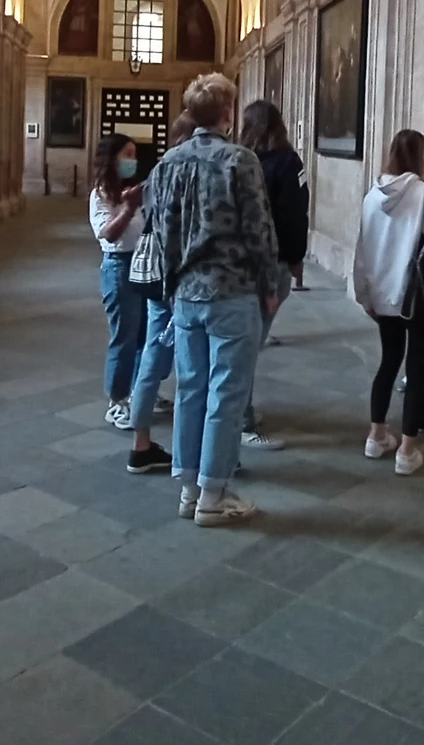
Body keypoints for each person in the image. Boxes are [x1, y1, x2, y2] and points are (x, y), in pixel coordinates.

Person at [144, 74, 287, 526]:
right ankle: (214, 494)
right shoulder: (239, 160)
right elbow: (259, 231)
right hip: (233, 290)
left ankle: (189, 490)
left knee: (191, 389)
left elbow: (161, 230)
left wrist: (170, 289)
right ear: (227, 113)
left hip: (187, 293)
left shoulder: (169, 162)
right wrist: (269, 286)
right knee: (227, 393)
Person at [350, 130, 424, 475]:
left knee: (388, 363)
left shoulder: (372, 196)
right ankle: (407, 450)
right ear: (421, 156)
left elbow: (362, 251)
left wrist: (364, 295)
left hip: (384, 297)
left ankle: (376, 436)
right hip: (419, 298)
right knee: (418, 370)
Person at [119, 116, 199, 476]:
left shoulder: (159, 170)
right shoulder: (191, 168)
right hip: (184, 276)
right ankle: (193, 454)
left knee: (151, 358)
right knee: (194, 365)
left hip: (155, 277)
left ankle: (141, 443)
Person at [238, 99, 306, 451]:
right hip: (273, 259)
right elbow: (294, 214)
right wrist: (296, 259)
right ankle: (242, 419)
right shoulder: (288, 162)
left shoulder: (238, 160)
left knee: (245, 341)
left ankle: (241, 410)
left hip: (239, 262)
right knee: (249, 345)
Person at [89, 133, 148, 430]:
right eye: (127, 154)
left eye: (134, 154)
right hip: (118, 268)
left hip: (141, 265)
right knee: (124, 337)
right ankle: (117, 400)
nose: (132, 160)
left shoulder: (132, 190)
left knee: (144, 335)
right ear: (112, 158)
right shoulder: (100, 194)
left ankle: (139, 390)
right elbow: (109, 234)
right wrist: (128, 207)